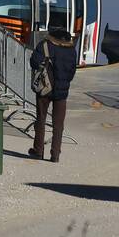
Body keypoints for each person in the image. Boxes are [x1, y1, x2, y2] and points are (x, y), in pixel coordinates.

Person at [28, 28, 78, 162]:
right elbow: (72, 71)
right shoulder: (71, 50)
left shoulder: (45, 45)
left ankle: (38, 150)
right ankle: (55, 154)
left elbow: (34, 62)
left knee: (41, 119)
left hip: (45, 88)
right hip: (62, 91)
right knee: (58, 124)